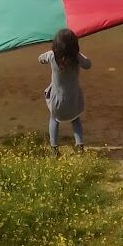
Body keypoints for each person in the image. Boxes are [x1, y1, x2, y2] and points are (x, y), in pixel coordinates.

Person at [39, 29, 92, 157]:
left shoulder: (52, 56)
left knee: (54, 120)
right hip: (73, 100)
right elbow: (88, 64)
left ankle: (54, 149)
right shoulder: (76, 57)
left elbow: (40, 58)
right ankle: (79, 146)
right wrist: (78, 54)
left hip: (57, 101)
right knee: (75, 120)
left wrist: (50, 52)